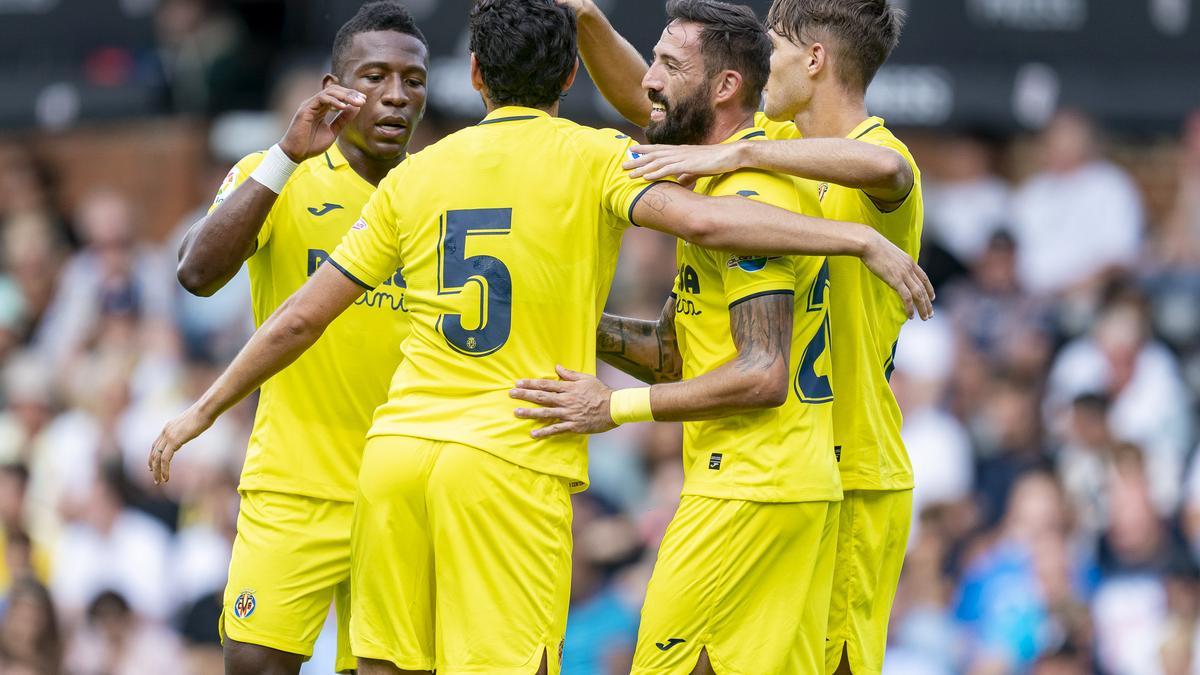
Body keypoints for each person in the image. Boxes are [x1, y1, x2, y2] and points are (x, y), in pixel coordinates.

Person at [149, 1, 931, 672]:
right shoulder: (606, 158)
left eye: (412, 80)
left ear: (474, 76)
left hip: (399, 455)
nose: (650, 83)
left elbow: (297, 316)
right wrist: (853, 239)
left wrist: (203, 410)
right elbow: (689, 184)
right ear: (566, 81)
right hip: (517, 457)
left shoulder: (420, 173)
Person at [564, 0, 922, 671]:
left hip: (854, 464)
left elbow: (895, 174)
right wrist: (587, 18)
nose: (764, 59)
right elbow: (655, 99)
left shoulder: (864, 152)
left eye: (775, 44)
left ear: (814, 60)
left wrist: (746, 148)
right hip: (801, 459)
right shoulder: (779, 153)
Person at [510, 2, 839, 672]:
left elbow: (762, 372)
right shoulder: (719, 180)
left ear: (724, 88)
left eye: (668, 64)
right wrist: (570, 320)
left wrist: (612, 407)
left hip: (749, 486)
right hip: (780, 483)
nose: (651, 81)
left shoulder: (748, 198)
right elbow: (674, 355)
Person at [171, 2, 429, 672]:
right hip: (295, 478)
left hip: (402, 484)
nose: (397, 95)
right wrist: (286, 156)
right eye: (374, 76)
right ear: (333, 88)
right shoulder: (275, 173)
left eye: (413, 79)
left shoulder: (439, 191)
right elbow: (197, 273)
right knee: (254, 661)